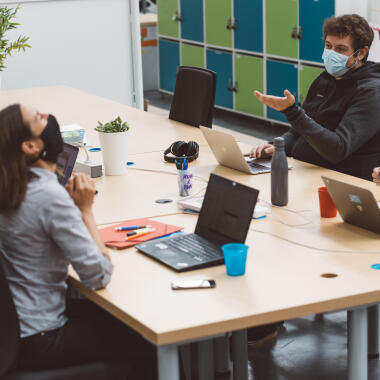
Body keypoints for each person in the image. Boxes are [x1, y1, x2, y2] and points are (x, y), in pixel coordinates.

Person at [0, 104, 156, 378]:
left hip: (13, 329)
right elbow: (98, 274)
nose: (47, 116)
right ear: (30, 147)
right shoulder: (48, 196)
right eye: (39, 118)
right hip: (40, 337)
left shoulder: (12, 187)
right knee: (147, 333)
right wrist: (85, 210)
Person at [248, 14, 380, 181]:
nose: (331, 54)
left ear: (361, 53)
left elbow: (337, 149)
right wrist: (278, 146)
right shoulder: (326, 79)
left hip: (341, 181)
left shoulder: (371, 92)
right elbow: (300, 131)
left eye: (340, 49)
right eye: (328, 46)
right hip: (306, 170)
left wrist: (293, 112)